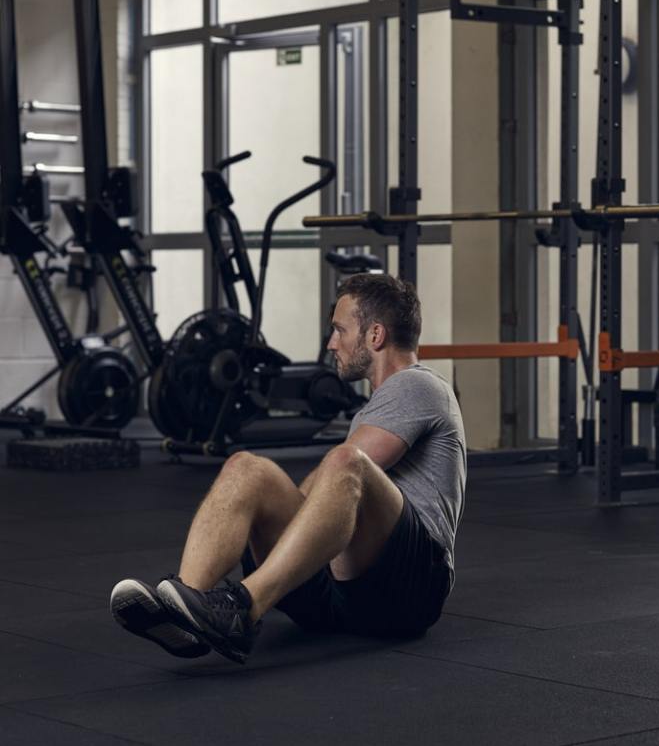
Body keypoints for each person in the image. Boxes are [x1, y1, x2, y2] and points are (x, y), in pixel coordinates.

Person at [109, 273, 466, 664]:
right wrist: (282, 518)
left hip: (409, 592)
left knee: (347, 463)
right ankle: (187, 609)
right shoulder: (374, 408)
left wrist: (280, 525)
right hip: (344, 592)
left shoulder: (418, 386)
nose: (332, 344)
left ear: (376, 335)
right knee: (245, 468)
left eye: (339, 330)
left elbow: (347, 473)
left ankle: (241, 609)